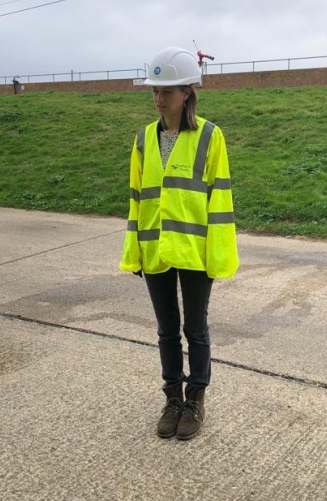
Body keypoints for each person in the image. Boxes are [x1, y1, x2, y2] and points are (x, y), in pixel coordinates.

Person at [120, 47, 239, 441]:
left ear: (187, 92)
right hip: (155, 250)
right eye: (155, 90)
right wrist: (134, 251)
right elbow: (137, 198)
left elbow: (219, 199)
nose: (159, 99)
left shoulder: (210, 135)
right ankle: (172, 398)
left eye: (167, 91)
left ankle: (196, 399)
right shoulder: (143, 140)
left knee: (196, 328)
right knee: (166, 329)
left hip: (194, 252)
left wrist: (217, 254)